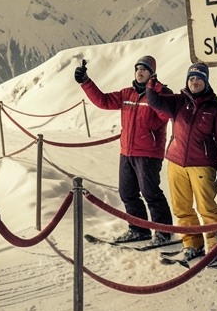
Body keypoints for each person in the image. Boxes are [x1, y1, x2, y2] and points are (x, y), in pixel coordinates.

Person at [75, 55, 175, 246]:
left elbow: (165, 115)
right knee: (127, 192)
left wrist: (155, 93)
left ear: (152, 73)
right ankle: (139, 230)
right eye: (138, 68)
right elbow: (103, 101)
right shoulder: (126, 94)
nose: (140, 72)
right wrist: (85, 82)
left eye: (144, 69)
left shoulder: (161, 94)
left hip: (148, 153)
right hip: (127, 152)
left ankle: (164, 232)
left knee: (150, 192)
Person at [144, 62, 217, 262]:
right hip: (176, 162)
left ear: (206, 82)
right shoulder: (178, 101)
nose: (195, 82)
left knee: (207, 207)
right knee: (181, 208)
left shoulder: (216, 108)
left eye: (199, 79)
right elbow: (155, 102)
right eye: (192, 78)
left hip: (202, 164)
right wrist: (151, 86)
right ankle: (192, 243)